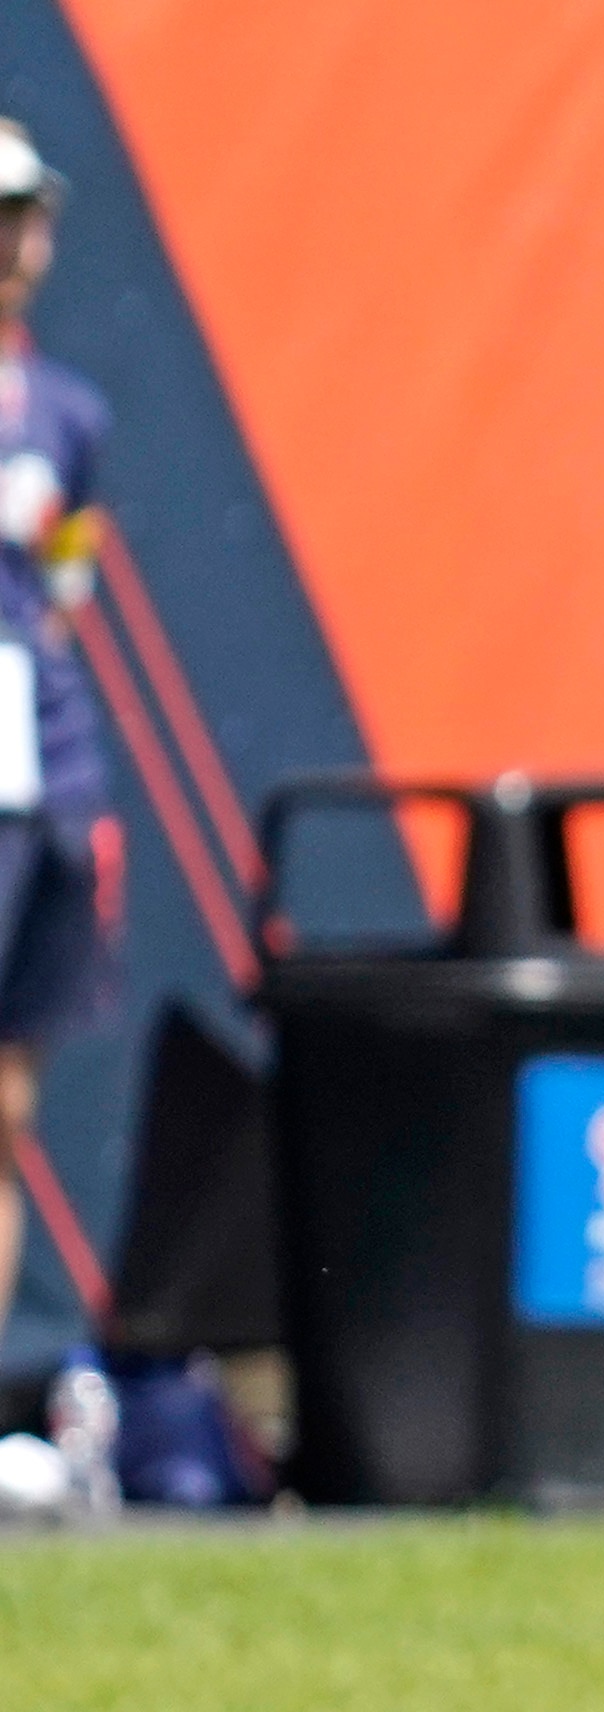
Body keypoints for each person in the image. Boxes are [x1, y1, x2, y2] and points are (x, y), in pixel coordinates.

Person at [0, 119, 115, 1356]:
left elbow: (66, 597)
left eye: (26, 217)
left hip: (35, 779)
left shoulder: (69, 417)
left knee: (9, 1094)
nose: (16, 245)